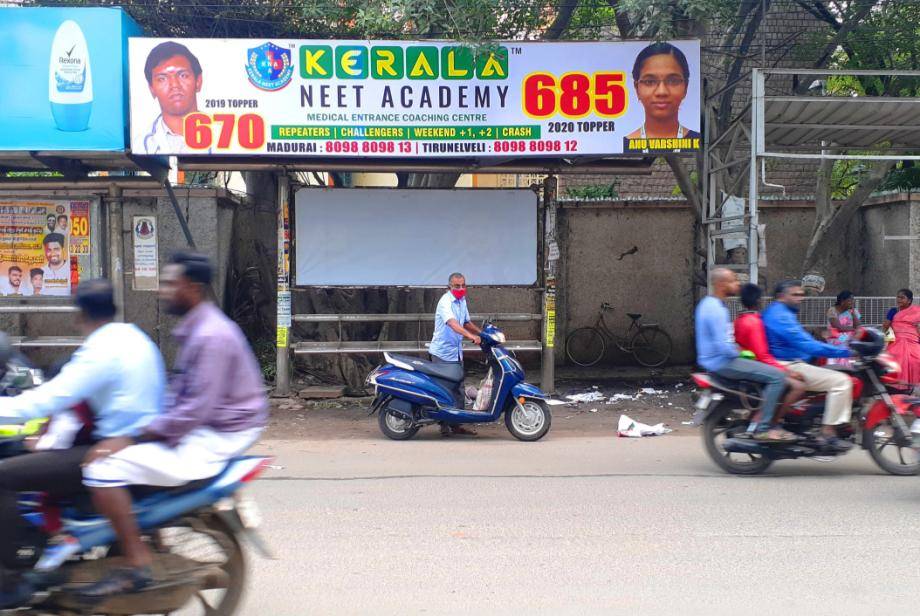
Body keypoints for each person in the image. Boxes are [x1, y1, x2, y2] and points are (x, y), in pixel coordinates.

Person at [77, 252, 268, 599]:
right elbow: (180, 398)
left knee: (102, 471)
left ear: (192, 289)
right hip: (206, 426)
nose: (161, 291)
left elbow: (195, 409)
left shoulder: (211, 336)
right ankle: (148, 537)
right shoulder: (197, 328)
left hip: (215, 435)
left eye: (169, 284)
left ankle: (138, 563)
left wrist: (133, 437)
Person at [0, 280, 165, 607]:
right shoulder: (134, 335)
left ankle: (13, 576)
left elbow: (47, 400)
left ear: (79, 315)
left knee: (5, 474)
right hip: (136, 441)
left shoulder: (98, 353)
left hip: (112, 451)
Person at [694, 269, 787, 442]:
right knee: (778, 376)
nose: (737, 284)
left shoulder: (707, 304)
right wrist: (738, 352)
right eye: (733, 280)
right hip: (723, 362)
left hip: (713, 361)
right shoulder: (717, 310)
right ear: (721, 285)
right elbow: (723, 346)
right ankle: (764, 428)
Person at [763, 280, 855, 451]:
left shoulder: (782, 312)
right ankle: (827, 431)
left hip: (793, 360)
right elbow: (807, 344)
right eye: (795, 295)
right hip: (788, 364)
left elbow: (803, 344)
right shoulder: (781, 315)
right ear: (781, 297)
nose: (800, 298)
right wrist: (847, 352)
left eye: (801, 295)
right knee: (841, 381)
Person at [734, 284, 805, 440]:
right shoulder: (754, 322)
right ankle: (771, 424)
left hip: (751, 363)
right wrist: (789, 371)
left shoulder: (741, 319)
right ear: (758, 300)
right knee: (798, 386)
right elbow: (763, 356)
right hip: (759, 365)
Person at [429, 272, 482, 436]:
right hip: (443, 353)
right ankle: (444, 426)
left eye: (463, 285)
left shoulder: (461, 301)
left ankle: (456, 424)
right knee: (445, 389)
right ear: (449, 287)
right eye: (456, 286)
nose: (460, 289)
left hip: (456, 352)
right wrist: (471, 336)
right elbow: (452, 323)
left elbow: (466, 322)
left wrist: (483, 334)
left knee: (459, 388)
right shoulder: (445, 302)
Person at [624, 42, 700, 152]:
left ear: (686, 87)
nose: (662, 92)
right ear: (637, 88)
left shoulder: (697, 141)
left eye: (673, 81)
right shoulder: (622, 146)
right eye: (649, 82)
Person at [141, 41, 203, 154]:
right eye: (162, 79)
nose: (174, 85)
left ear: (198, 81)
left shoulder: (227, 135)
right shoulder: (140, 144)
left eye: (183, 75)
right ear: (151, 89)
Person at [882, 288, 920, 384]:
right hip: (896, 341)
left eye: (902, 298)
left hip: (913, 341)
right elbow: (886, 327)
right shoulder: (893, 311)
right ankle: (895, 387)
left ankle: (913, 386)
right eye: (898, 297)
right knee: (895, 360)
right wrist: (888, 340)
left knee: (915, 361)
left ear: (909, 301)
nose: (899, 300)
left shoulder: (917, 312)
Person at [825, 290, 861, 366]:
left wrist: (853, 313)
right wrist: (853, 329)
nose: (852, 302)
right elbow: (838, 327)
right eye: (849, 300)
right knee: (845, 343)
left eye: (852, 300)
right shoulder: (832, 310)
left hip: (849, 336)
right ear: (842, 301)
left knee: (859, 343)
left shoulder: (853, 311)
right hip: (835, 336)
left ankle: (853, 365)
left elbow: (857, 326)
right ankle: (841, 365)